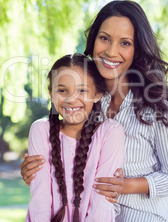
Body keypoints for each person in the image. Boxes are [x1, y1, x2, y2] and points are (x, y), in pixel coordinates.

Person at [21, 0, 168, 222]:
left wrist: (126, 185)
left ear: (137, 49)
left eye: (125, 43)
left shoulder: (160, 106)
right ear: (93, 41)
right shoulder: (82, 99)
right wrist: (36, 171)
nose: (111, 51)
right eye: (104, 39)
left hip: (141, 216)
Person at [26, 54, 125, 222]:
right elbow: (40, 199)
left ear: (97, 94)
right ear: (51, 94)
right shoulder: (40, 130)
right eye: (62, 90)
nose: (71, 99)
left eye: (82, 90)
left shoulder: (110, 132)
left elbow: (101, 203)